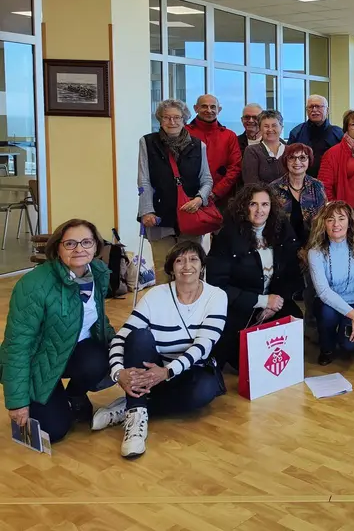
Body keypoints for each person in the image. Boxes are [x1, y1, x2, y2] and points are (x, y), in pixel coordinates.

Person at [92, 241, 226, 459]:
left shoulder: (216, 296)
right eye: (179, 260)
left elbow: (203, 346)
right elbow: (121, 338)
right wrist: (118, 373)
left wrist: (166, 372)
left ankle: (130, 407)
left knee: (204, 391)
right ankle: (135, 419)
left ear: (202, 266)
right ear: (171, 267)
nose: (186, 266)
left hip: (186, 370)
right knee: (139, 336)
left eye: (193, 259)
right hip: (151, 366)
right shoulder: (156, 295)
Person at [1, 219, 114, 443]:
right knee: (52, 431)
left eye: (86, 242)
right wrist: (17, 402)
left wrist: (120, 349)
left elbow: (99, 319)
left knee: (103, 357)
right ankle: (53, 397)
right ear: (57, 248)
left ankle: (72, 395)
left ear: (96, 246)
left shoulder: (98, 272)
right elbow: (18, 345)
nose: (79, 249)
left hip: (73, 351)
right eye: (70, 243)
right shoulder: (34, 284)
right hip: (38, 362)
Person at [207, 183, 304, 371]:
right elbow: (217, 284)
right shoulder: (228, 236)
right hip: (241, 304)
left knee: (294, 320)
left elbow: (292, 273)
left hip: (276, 301)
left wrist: (275, 303)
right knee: (242, 361)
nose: (260, 210)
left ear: (272, 207)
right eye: (253, 204)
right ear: (244, 207)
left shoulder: (282, 229)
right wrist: (262, 301)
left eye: (265, 204)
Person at [139, 99, 213, 282]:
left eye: (176, 117)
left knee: (190, 270)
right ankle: (164, 310)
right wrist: (146, 211)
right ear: (160, 120)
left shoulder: (198, 145)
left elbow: (206, 179)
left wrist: (199, 199)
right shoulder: (148, 143)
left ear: (184, 119)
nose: (172, 122)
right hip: (159, 216)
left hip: (190, 215)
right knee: (164, 270)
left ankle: (192, 308)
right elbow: (144, 180)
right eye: (167, 118)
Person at [305, 201, 354, 365]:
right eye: (330, 219)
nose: (336, 224)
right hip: (327, 303)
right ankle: (327, 348)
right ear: (323, 223)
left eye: (341, 218)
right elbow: (323, 292)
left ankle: (344, 333)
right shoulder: (315, 252)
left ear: (350, 221)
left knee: (349, 346)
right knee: (327, 315)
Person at [187, 94, 242, 210]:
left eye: (213, 107)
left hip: (221, 199)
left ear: (219, 110)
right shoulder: (184, 133)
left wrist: (216, 192)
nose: (209, 110)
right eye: (204, 106)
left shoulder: (229, 136)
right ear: (195, 108)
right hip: (189, 197)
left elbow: (235, 167)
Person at [270, 142, 327, 246]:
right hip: (282, 245)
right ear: (285, 161)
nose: (297, 162)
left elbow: (323, 219)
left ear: (309, 161)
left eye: (302, 157)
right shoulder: (273, 188)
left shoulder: (317, 186)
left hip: (312, 246)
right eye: (292, 157)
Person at [287, 95, 343, 176]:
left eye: (318, 106)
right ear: (306, 110)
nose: (314, 110)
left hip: (331, 180)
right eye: (311, 107)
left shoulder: (338, 133)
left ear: (327, 110)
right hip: (302, 181)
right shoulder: (296, 132)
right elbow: (289, 159)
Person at [241, 110, 286, 186]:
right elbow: (251, 183)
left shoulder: (291, 151)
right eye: (266, 126)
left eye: (274, 125)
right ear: (260, 129)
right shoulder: (251, 151)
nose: (270, 129)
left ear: (281, 128)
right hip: (260, 197)